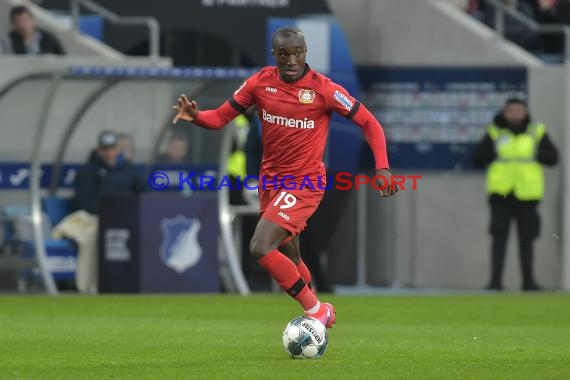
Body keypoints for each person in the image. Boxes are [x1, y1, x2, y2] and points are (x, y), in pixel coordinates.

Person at [171, 26, 397, 329]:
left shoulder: (324, 89)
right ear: (274, 55)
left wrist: (382, 166)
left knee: (260, 247)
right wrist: (197, 116)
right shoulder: (260, 82)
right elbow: (221, 117)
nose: (292, 60)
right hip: (271, 183)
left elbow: (369, 123)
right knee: (288, 256)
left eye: (298, 53)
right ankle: (321, 307)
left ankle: (315, 310)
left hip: (305, 183)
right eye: (285, 54)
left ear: (305, 53)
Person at [473, 98, 558, 291]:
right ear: (504, 112)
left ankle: (528, 281)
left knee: (527, 239)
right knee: (498, 239)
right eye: (511, 110)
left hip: (527, 194)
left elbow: (553, 158)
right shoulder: (495, 132)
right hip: (501, 194)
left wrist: (537, 152)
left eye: (519, 110)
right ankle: (495, 281)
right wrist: (494, 152)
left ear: (525, 112)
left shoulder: (536, 132)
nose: (515, 114)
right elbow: (478, 158)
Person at [73, 131, 147, 214]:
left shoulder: (128, 169)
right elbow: (83, 200)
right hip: (97, 216)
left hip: (125, 215)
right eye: (105, 149)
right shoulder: (88, 171)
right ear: (98, 150)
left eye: (112, 148)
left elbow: (144, 190)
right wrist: (107, 212)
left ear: (117, 149)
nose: (108, 153)